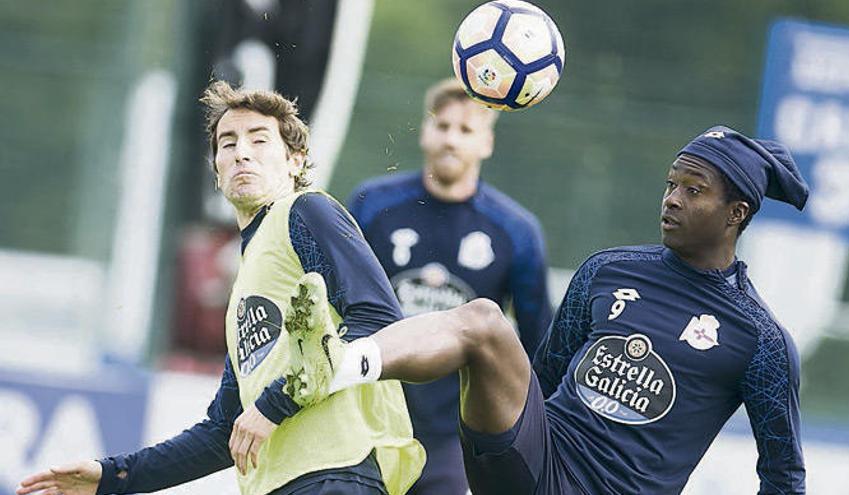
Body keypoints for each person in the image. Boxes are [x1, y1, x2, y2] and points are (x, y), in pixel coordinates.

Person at [289, 125, 809, 494]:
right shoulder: (609, 270)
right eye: (671, 183)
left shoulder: (760, 340)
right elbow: (544, 375)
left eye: (693, 190)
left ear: (736, 213)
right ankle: (343, 363)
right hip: (536, 460)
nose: (671, 199)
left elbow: (783, 478)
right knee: (485, 320)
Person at [16, 81, 424, 495]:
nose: (241, 152)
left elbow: (380, 319)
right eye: (227, 144)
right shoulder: (247, 278)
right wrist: (116, 476)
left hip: (336, 473)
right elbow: (223, 429)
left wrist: (274, 403)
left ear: (295, 161)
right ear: (217, 171)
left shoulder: (305, 211)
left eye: (259, 139)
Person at [346, 78, 553, 494]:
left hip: (451, 440)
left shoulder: (516, 231)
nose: (451, 140)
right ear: (425, 131)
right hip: (365, 422)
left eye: (466, 130)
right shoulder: (372, 205)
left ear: (487, 143)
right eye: (442, 126)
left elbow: (538, 347)